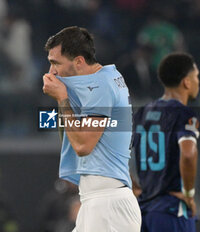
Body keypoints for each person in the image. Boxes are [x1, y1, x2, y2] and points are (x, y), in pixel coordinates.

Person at [42, 26, 141, 232]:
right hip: (99, 201)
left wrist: (62, 98)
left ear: (78, 61)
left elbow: (83, 145)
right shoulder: (104, 80)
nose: (51, 71)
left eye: (55, 63)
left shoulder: (100, 87)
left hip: (107, 205)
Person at [131, 52, 200, 232]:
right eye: (196, 76)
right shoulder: (184, 114)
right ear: (187, 82)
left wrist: (134, 187)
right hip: (171, 209)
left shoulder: (142, 112)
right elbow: (188, 154)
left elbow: (114, 153)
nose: (198, 81)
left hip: (143, 210)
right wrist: (188, 194)